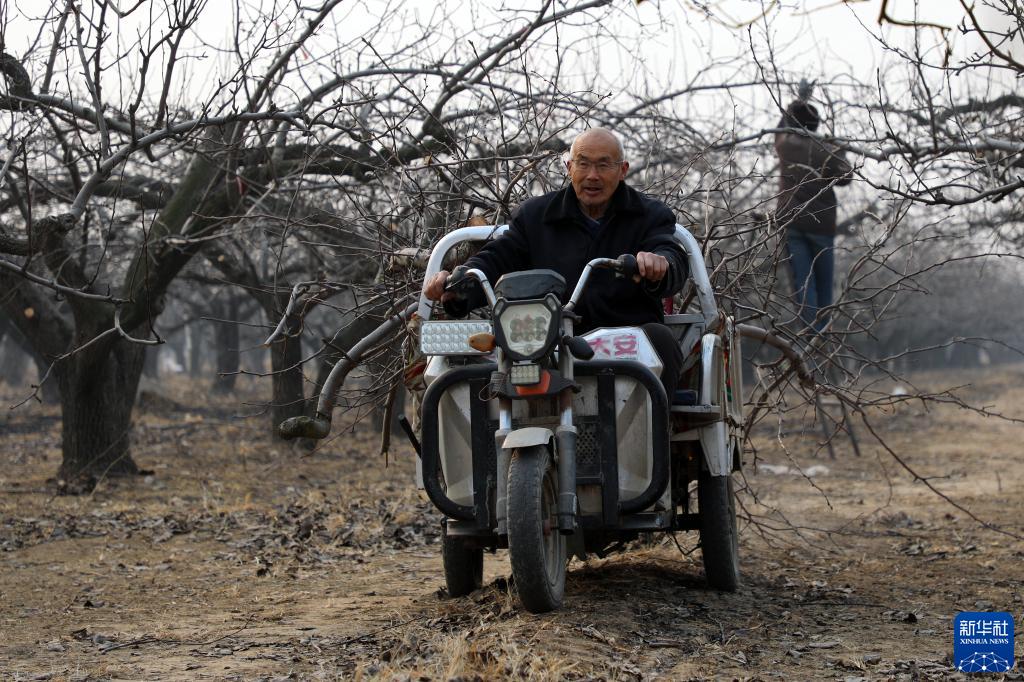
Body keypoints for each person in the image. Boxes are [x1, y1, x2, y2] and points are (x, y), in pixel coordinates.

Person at [423, 127, 687, 397]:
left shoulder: (649, 215)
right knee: (466, 369)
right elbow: (497, 258)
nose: (592, 175)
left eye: (604, 165)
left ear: (623, 170)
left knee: (660, 340)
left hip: (624, 340)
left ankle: (654, 435)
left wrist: (659, 264)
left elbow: (670, 252)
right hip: (544, 338)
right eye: (583, 164)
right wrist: (460, 284)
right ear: (569, 167)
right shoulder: (536, 217)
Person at [775, 99, 853, 332]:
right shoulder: (826, 149)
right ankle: (823, 336)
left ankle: (810, 337)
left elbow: (779, 128)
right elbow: (846, 176)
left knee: (803, 283)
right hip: (822, 225)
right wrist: (841, 148)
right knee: (824, 286)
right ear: (817, 124)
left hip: (792, 221)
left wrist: (796, 101)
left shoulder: (785, 145)